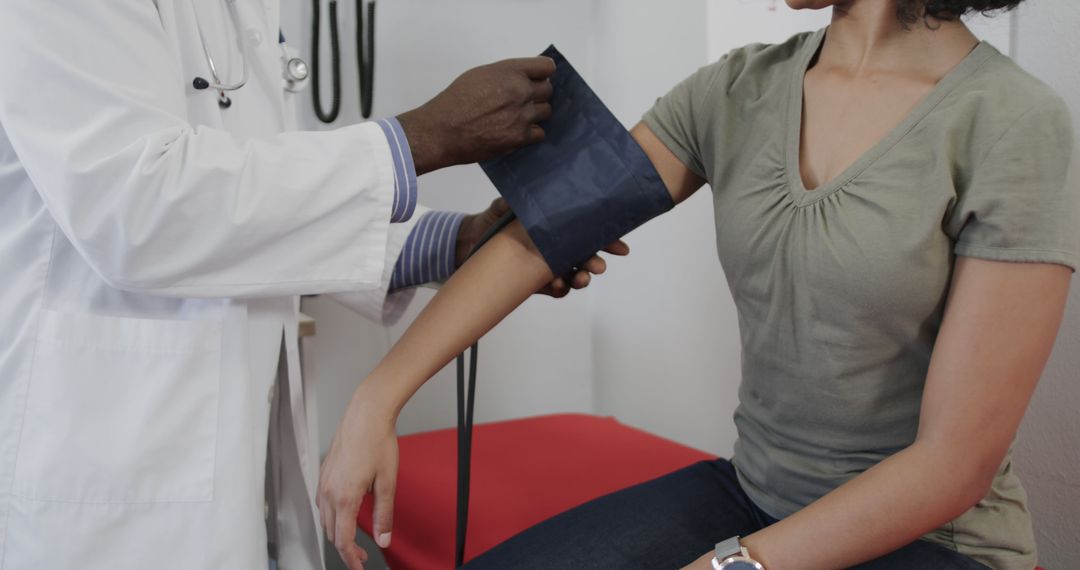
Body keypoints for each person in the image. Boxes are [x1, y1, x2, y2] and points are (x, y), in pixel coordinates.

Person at [317, 0, 1077, 568]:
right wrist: (378, 398)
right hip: (754, 494)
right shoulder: (737, 88)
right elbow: (542, 238)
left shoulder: (1012, 123)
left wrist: (734, 565)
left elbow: (954, 466)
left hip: (933, 540)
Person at [0, 2, 627, 570]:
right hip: (110, 453)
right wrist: (421, 137)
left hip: (231, 445)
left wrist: (454, 242)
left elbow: (261, 210)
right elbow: (139, 208)